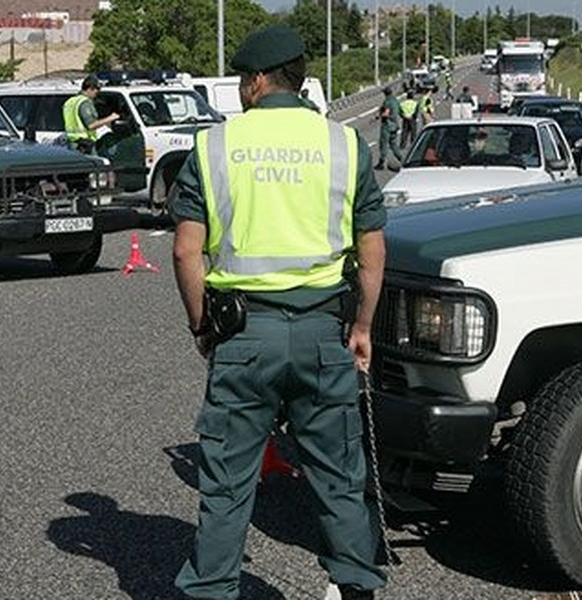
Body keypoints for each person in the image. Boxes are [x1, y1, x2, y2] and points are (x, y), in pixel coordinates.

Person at [170, 23, 388, 600]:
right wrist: (362, 326)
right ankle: (357, 588)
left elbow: (186, 250)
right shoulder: (344, 145)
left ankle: (214, 588)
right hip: (324, 334)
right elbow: (371, 249)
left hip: (244, 335)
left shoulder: (215, 146)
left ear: (261, 80)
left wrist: (203, 329)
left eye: (244, 78)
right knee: (339, 478)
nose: (242, 87)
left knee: (227, 482)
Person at [62, 75, 120, 153]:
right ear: (90, 89)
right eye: (96, 90)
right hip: (84, 144)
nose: (97, 93)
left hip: (71, 142)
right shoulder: (85, 102)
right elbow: (91, 125)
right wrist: (111, 117)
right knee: (96, 164)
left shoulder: (70, 101)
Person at [375, 86, 403, 170]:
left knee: (384, 144)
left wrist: (379, 116)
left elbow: (386, 113)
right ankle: (401, 158)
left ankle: (381, 162)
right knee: (393, 144)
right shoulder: (395, 101)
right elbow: (401, 112)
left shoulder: (387, 102)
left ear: (385, 93)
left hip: (387, 125)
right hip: (395, 125)